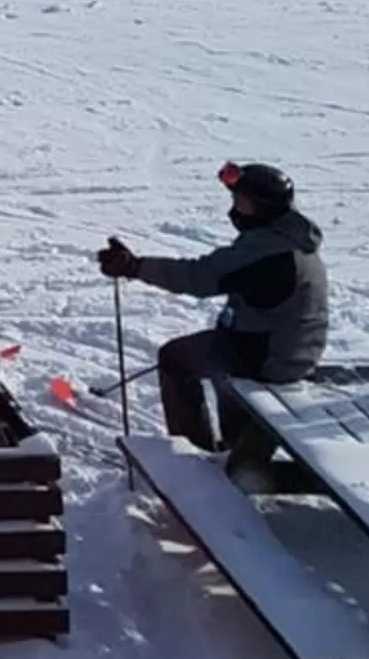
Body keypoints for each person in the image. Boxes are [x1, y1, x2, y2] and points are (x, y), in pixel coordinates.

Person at [98, 161, 328, 456]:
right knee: (213, 354)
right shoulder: (289, 235)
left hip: (271, 357)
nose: (235, 208)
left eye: (242, 203)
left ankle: (195, 453)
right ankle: (234, 448)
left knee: (177, 359)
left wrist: (134, 267)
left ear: (263, 208)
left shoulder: (267, 251)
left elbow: (198, 277)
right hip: (288, 345)